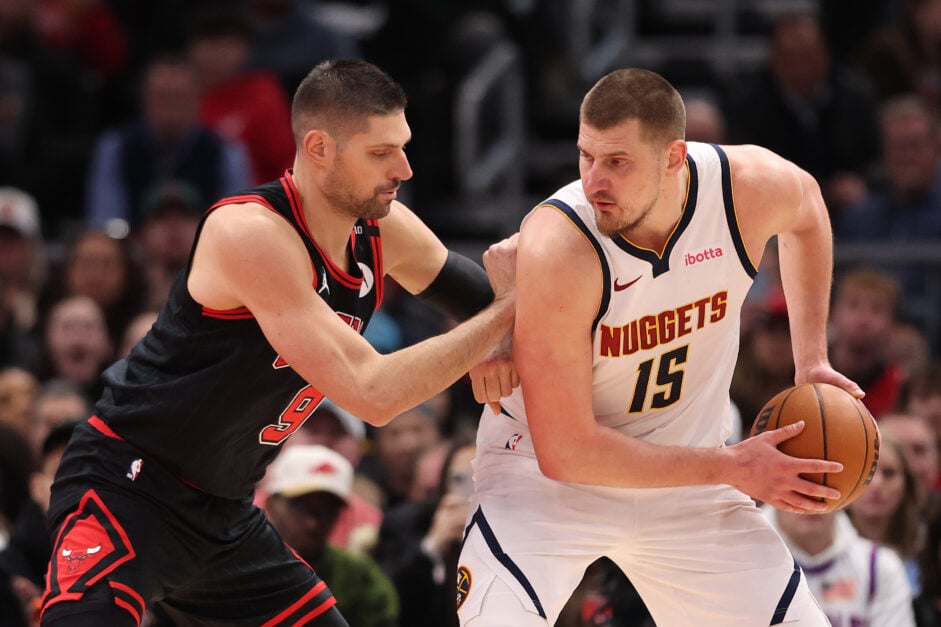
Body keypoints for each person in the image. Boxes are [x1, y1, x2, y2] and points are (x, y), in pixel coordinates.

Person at [38, 58, 516, 627]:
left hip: (225, 515)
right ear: (319, 148)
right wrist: (505, 317)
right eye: (381, 152)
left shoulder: (383, 230)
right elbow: (373, 392)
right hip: (127, 488)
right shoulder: (249, 233)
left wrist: (515, 315)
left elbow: (497, 309)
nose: (405, 169)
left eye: (404, 147)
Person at [459, 67, 862, 627]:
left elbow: (810, 211)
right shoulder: (561, 244)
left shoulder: (743, 189)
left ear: (674, 157)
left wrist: (811, 357)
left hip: (687, 481)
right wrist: (731, 466)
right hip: (547, 484)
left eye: (617, 162)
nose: (594, 180)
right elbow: (566, 452)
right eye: (585, 156)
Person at [263, 445, 399, 627]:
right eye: (301, 507)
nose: (313, 523)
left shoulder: (361, 579)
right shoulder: (236, 565)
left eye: (328, 510)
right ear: (271, 504)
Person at [766, 505, 916, 627]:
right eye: (799, 478)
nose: (811, 495)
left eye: (823, 479)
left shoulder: (880, 566)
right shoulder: (744, 561)